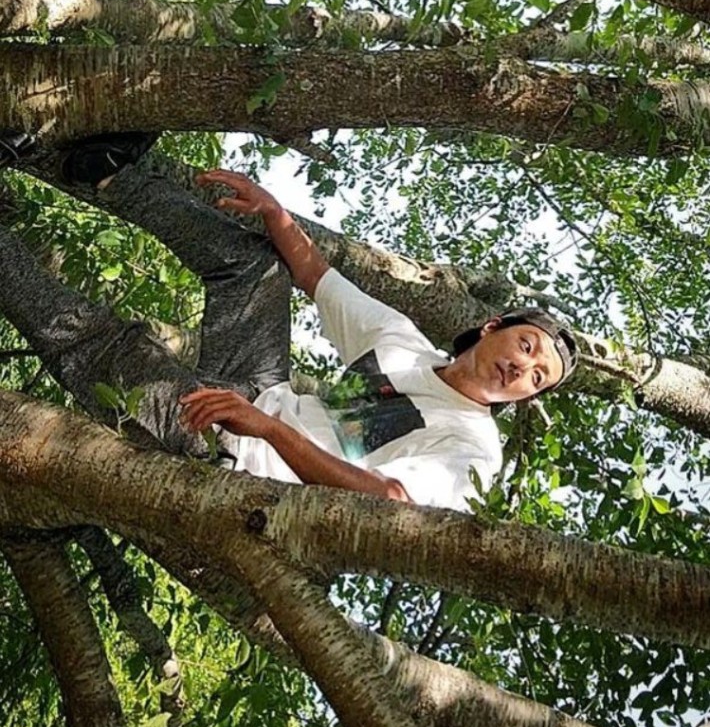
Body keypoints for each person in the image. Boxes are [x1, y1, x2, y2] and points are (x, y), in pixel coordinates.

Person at [0, 132, 577, 511]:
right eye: (528, 347)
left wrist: (270, 430)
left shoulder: (474, 444)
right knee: (257, 270)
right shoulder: (406, 347)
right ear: (493, 326)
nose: (522, 368)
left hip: (240, 463)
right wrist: (274, 211)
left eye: (537, 379)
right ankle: (103, 174)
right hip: (259, 391)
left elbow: (394, 500)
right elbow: (318, 277)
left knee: (104, 344)